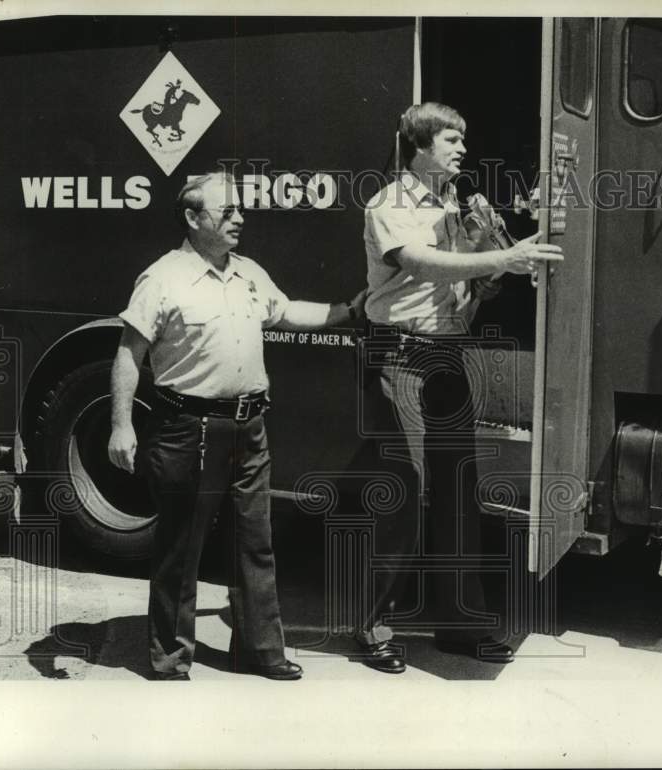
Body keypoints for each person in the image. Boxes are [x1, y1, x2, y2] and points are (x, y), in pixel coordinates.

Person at [108, 171, 364, 681]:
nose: (240, 218)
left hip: (250, 429)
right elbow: (128, 353)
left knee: (255, 541)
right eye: (227, 212)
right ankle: (170, 658)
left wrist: (349, 312)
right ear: (192, 217)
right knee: (183, 547)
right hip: (190, 429)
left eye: (240, 211)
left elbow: (287, 312)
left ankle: (261, 652)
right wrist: (121, 424)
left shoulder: (248, 272)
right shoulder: (162, 278)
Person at [355, 102, 563, 673]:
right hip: (402, 357)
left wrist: (498, 261)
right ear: (420, 146)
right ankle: (372, 625)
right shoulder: (389, 205)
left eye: (463, 139)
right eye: (451, 138)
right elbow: (421, 265)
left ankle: (459, 624)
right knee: (408, 490)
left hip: (448, 356)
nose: (462, 148)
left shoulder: (454, 205)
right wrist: (506, 255)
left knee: (456, 491)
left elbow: (473, 282)